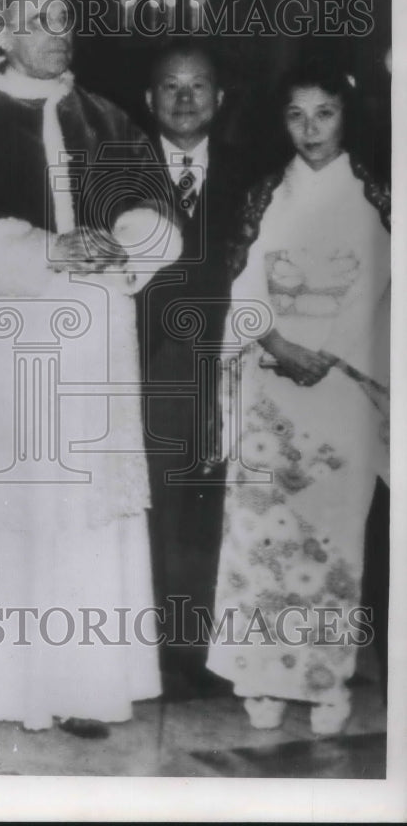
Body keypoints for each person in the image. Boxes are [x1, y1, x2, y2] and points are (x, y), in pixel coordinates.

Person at [0, 0, 182, 741]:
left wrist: (121, 235)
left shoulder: (111, 120)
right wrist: (46, 248)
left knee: (80, 514)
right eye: (39, 18)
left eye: (65, 14)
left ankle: (84, 685)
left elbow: (152, 211)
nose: (60, 29)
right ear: (1, 32)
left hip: (88, 345)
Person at [206, 60, 390, 735]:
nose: (310, 129)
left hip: (344, 387)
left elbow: (387, 294)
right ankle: (262, 678)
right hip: (270, 387)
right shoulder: (264, 196)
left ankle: (327, 681)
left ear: (348, 115)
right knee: (263, 537)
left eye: (325, 113)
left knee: (331, 538)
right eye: (295, 115)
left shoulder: (380, 196)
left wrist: (334, 350)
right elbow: (241, 290)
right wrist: (278, 343)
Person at [139, 39, 246, 697]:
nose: (184, 99)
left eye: (198, 86)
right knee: (152, 509)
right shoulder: (115, 172)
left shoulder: (256, 174)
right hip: (143, 369)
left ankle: (200, 650)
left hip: (227, 366)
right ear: (150, 100)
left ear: (220, 99)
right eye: (171, 87)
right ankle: (148, 655)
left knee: (211, 512)